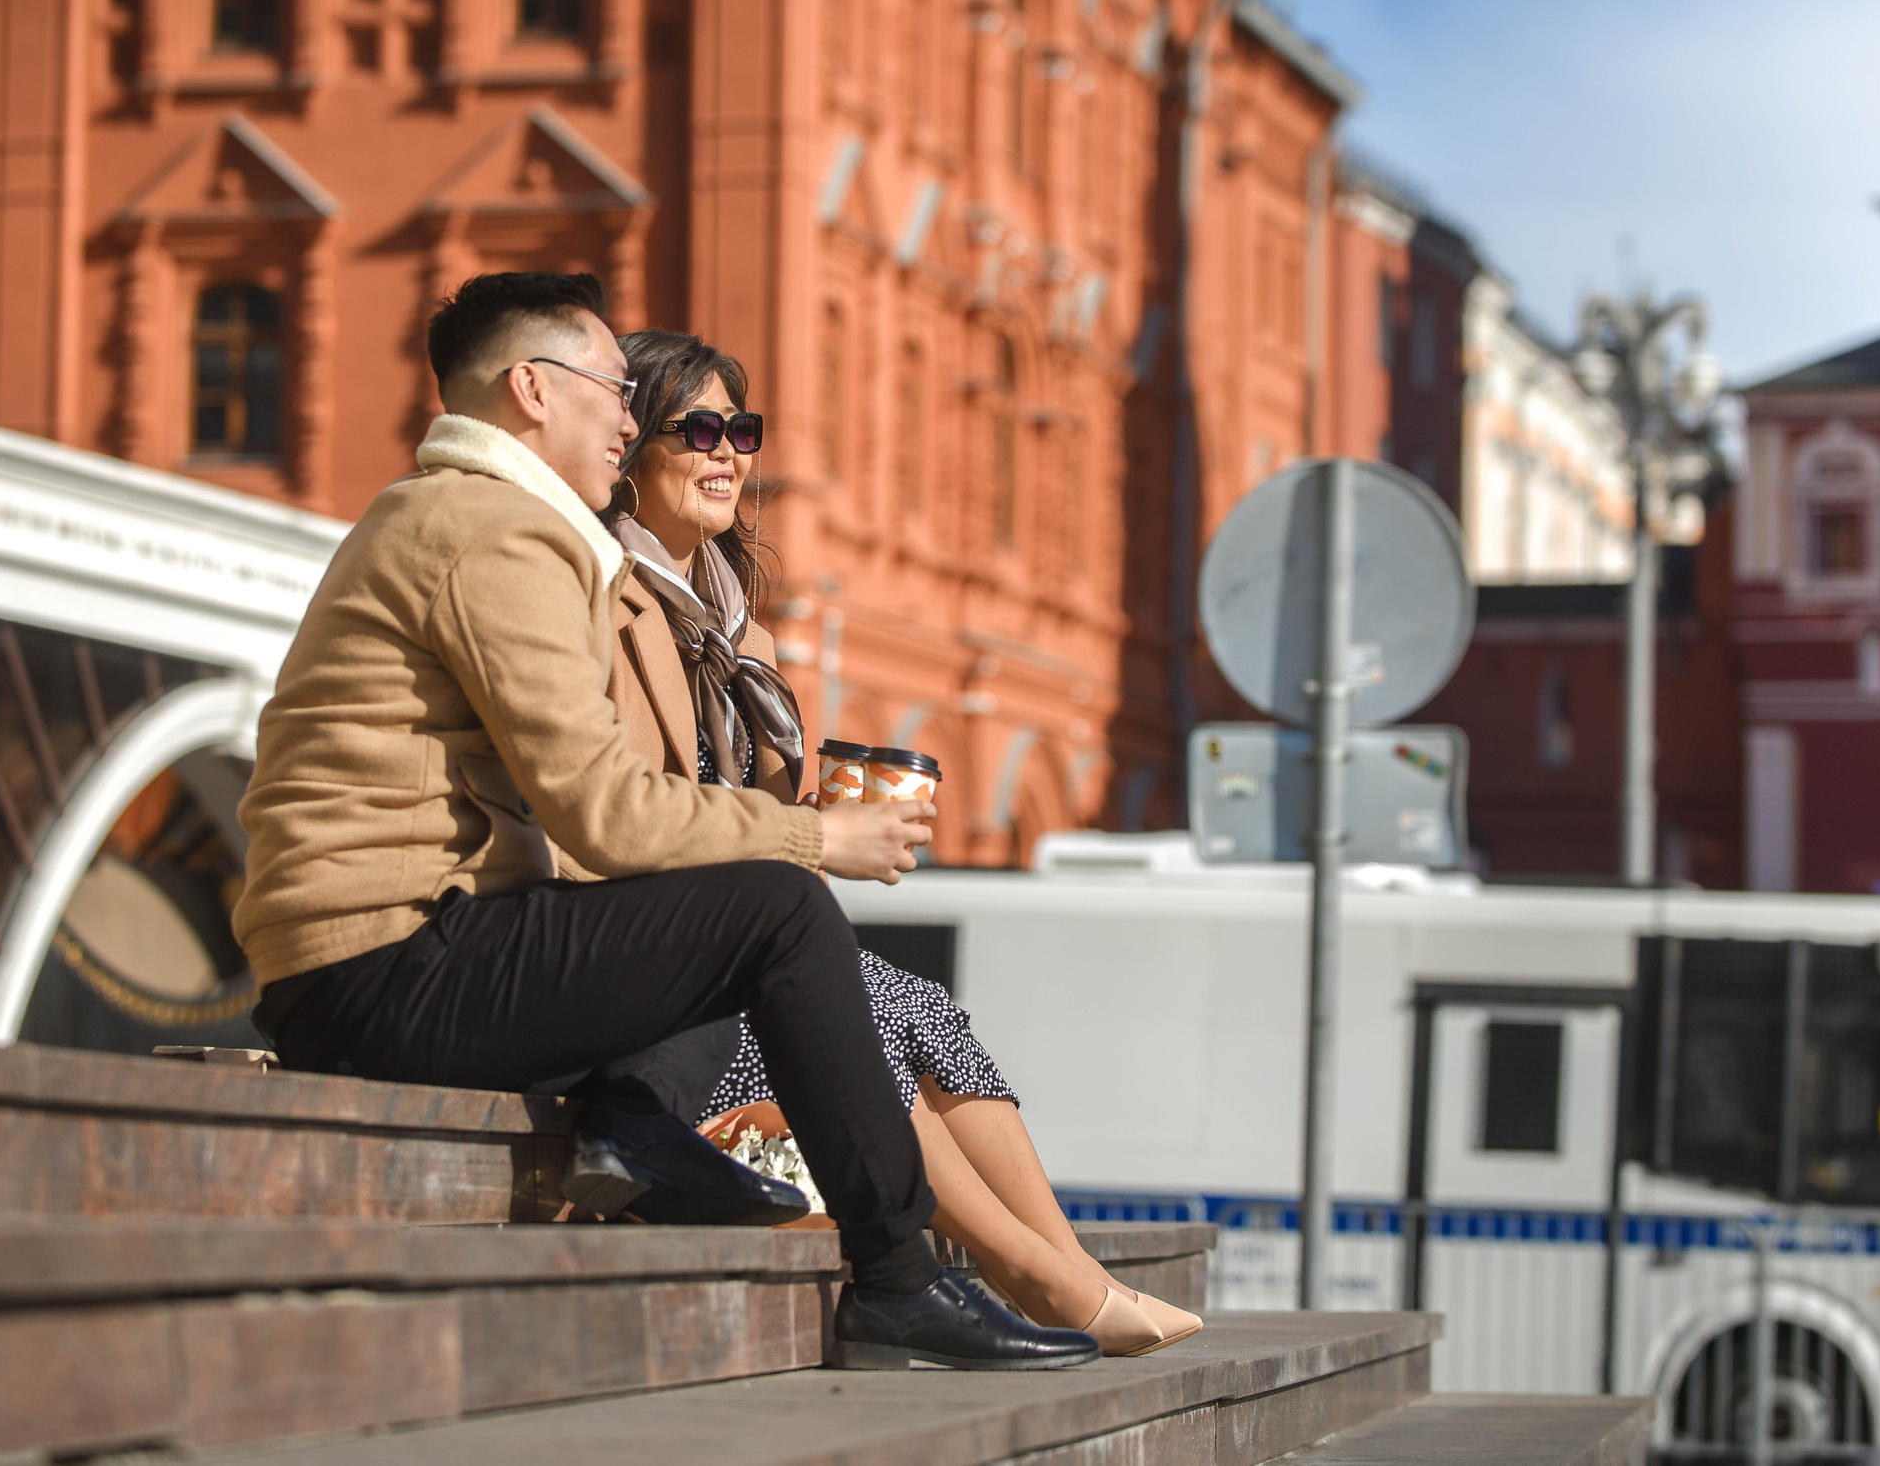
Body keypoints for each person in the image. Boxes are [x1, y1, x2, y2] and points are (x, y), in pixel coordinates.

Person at [232, 271, 1096, 1371]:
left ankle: (637, 1129)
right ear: (533, 390)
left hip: (392, 952)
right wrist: (815, 839)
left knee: (727, 919)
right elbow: (601, 808)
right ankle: (896, 1277)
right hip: (384, 967)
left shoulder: (462, 516)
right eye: (614, 391)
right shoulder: (494, 530)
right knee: (780, 911)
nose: (626, 419)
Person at [600, 328, 1203, 1358]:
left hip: (730, 946)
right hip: (650, 976)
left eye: (741, 431)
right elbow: (619, 813)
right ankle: (1038, 1278)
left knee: (919, 1003)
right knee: (860, 1009)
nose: (727, 454)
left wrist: (824, 810)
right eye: (696, 430)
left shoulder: (741, 635)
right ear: (627, 452)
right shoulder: (602, 598)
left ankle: (1071, 1264)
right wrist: (812, 834)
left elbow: (747, 813)